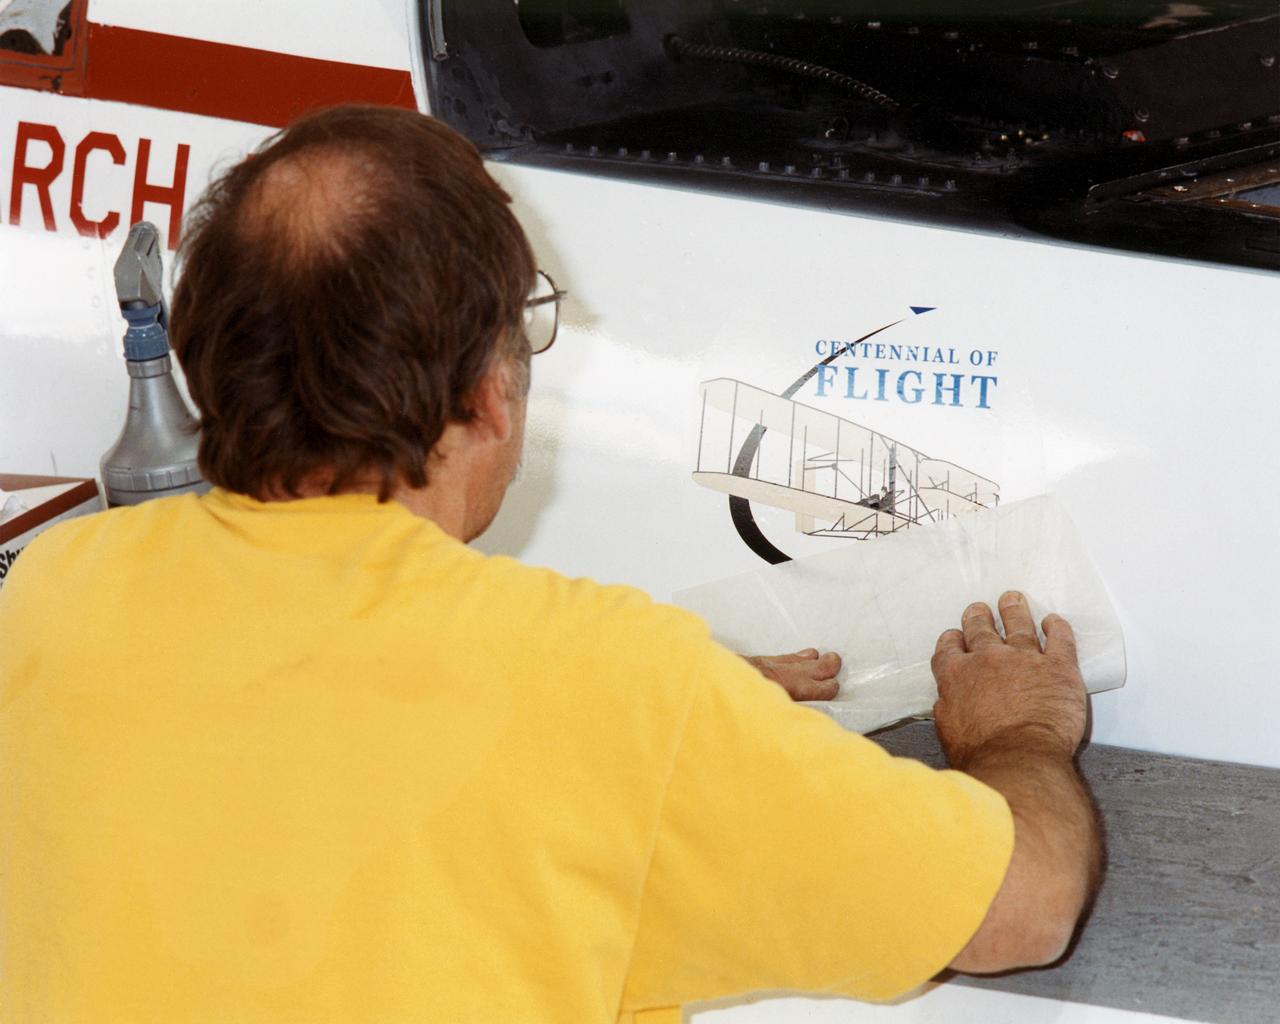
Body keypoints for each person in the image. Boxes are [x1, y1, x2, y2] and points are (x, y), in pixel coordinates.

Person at [0, 105, 1100, 1024]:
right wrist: (1017, 733)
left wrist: (666, 723)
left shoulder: (52, 595)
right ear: (484, 393)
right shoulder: (608, 686)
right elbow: (1022, 906)